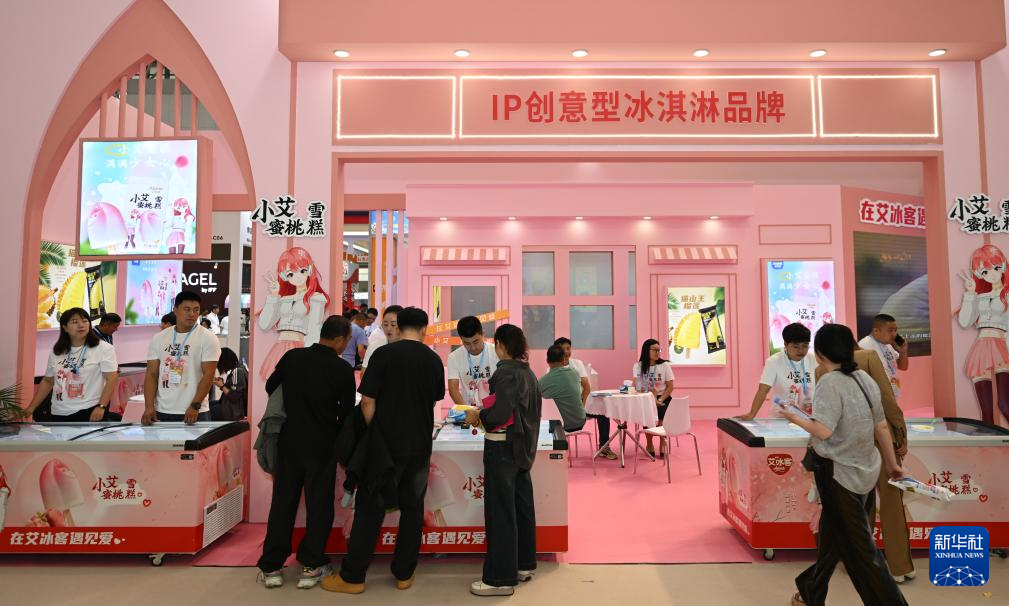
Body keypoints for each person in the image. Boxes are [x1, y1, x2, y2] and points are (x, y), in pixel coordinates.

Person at [782, 323, 907, 606]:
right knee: (835, 536)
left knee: (862, 553)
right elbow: (881, 426)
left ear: (820, 352)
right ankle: (811, 590)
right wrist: (892, 464)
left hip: (837, 474)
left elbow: (823, 430)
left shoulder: (830, 382)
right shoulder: (864, 378)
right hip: (866, 469)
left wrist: (793, 417)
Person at [323, 307, 445, 594]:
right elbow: (433, 399)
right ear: (424, 329)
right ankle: (404, 573)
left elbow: (367, 401)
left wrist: (373, 432)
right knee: (412, 509)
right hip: (419, 445)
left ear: (399, 327)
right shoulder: (433, 360)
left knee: (370, 509)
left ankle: (353, 577)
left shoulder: (384, 355)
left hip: (384, 447)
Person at [257, 316, 357, 589]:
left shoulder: (293, 357)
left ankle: (272, 566)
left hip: (288, 443)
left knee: (282, 504)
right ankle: (311, 566)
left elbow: (271, 386)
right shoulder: (341, 369)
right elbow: (347, 412)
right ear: (340, 339)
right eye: (347, 340)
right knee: (319, 507)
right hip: (322, 446)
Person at [815, 338, 914, 583]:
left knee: (858, 506)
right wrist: (900, 433)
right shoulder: (868, 357)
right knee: (891, 502)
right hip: (879, 440)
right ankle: (900, 566)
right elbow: (887, 402)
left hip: (847, 446)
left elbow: (824, 416)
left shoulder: (821, 370)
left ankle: (861, 565)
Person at [464, 324, 543, 596]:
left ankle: (499, 578)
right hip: (522, 449)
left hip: (502, 448)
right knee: (521, 508)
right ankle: (523, 564)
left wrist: (479, 416)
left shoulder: (505, 372)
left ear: (499, 345)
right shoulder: (528, 373)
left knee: (500, 512)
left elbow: (500, 413)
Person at [24, 307, 118, 422]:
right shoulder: (57, 351)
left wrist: (101, 406)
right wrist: (31, 408)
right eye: (75, 322)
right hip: (58, 411)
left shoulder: (103, 348)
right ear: (65, 327)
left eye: (84, 321)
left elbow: (111, 379)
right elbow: (48, 381)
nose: (81, 325)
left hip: (89, 410)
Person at [142, 291, 221, 425]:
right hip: (162, 410)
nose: (192, 314)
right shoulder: (159, 338)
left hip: (195, 411)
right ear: (175, 310)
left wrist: (195, 405)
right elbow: (151, 374)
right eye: (187, 309)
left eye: (196, 310)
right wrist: (149, 407)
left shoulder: (208, 338)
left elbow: (209, 374)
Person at [258, 246, 330, 381]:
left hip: (301, 348)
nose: (297, 277)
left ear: (309, 270)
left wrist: (310, 355)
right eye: (290, 274)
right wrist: (274, 295)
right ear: (284, 276)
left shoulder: (315, 298)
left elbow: (315, 328)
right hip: (280, 347)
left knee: (297, 384)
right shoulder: (283, 299)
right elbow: (264, 324)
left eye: (302, 271)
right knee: (277, 385)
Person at [957, 243, 1009, 424]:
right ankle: (990, 442)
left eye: (996, 268)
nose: (992, 274)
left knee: (1004, 404)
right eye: (985, 271)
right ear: (979, 274)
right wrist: (970, 293)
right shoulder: (979, 297)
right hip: (981, 348)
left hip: (1002, 346)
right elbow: (965, 322)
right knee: (986, 412)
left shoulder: (1007, 294)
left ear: (1003, 266)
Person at [738, 323, 817, 421]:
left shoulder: (814, 360)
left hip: (808, 419)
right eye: (796, 347)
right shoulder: (774, 361)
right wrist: (752, 413)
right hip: (781, 418)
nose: (801, 350)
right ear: (785, 344)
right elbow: (763, 390)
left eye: (805, 346)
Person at [554, 337, 616, 460]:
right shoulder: (553, 367)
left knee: (603, 413)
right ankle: (558, 450)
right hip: (564, 409)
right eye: (563, 349)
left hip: (581, 404)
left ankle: (604, 448)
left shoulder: (577, 363)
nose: (566, 352)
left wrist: (582, 406)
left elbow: (586, 387)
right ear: (556, 351)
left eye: (568, 348)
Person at [632, 339, 675, 457]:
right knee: (647, 414)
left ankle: (662, 442)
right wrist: (648, 393)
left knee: (661, 412)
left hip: (663, 397)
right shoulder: (638, 366)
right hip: (646, 396)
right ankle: (649, 443)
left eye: (659, 350)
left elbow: (670, 387)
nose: (657, 352)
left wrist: (659, 399)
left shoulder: (664, 365)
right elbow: (636, 385)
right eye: (655, 350)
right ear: (647, 350)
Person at [448, 316, 499, 407]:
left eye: (476, 342)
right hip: (469, 409)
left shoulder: (496, 351)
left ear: (482, 334)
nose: (473, 348)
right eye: (467, 343)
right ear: (461, 339)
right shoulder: (454, 357)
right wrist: (466, 410)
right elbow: (453, 389)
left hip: (495, 409)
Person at [858, 314, 908, 401]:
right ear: (876, 331)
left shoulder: (888, 345)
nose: (894, 334)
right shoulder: (864, 345)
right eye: (890, 330)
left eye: (895, 330)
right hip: (876, 398)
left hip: (891, 394)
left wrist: (903, 352)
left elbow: (903, 367)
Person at [537, 345, 585, 433]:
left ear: (547, 360)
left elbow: (536, 396)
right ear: (563, 360)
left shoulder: (543, 381)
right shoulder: (575, 373)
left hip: (564, 425)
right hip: (581, 420)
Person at [360, 305, 403, 372]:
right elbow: (364, 372)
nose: (388, 329)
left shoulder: (409, 349)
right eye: (385, 324)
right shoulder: (374, 346)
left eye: (393, 325)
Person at [213, 347, 249, 421]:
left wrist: (222, 386)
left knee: (207, 411)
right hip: (232, 407)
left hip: (234, 411)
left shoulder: (237, 371)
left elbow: (234, 396)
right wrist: (223, 384)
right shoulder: (240, 369)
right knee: (210, 404)